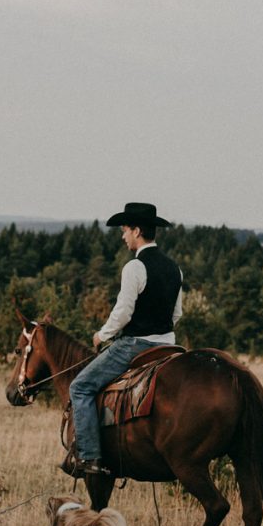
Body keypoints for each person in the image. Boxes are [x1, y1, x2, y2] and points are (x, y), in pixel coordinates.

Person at [68, 202, 183, 476]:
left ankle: (90, 458)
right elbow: (176, 314)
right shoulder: (175, 269)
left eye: (125, 230)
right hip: (169, 345)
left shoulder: (134, 267)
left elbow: (123, 313)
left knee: (80, 387)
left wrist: (102, 335)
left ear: (137, 231)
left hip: (135, 346)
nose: (123, 236)